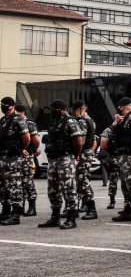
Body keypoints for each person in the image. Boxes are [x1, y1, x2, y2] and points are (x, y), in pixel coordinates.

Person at [38, 99, 84, 230]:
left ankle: (71, 218)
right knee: (52, 189)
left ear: (63, 110)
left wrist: (75, 155)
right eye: (51, 109)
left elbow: (78, 141)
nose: (52, 111)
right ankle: (55, 217)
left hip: (65, 158)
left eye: (55, 109)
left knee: (69, 188)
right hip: (53, 159)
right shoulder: (53, 122)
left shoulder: (70, 122)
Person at [0, 97, 30, 225]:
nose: (2, 106)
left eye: (4, 105)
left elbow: (26, 138)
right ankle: (5, 211)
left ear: (11, 106)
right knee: (3, 186)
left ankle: (16, 213)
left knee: (14, 185)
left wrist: (20, 149)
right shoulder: (2, 121)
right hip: (2, 157)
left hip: (13, 157)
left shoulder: (19, 120)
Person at [72, 100, 98, 221]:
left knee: (82, 180)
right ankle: (75, 208)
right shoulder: (90, 120)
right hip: (87, 153)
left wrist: (77, 154)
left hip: (83, 154)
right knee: (80, 180)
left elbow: (81, 140)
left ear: (76, 110)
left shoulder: (81, 121)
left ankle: (91, 209)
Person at [16, 104, 40, 218]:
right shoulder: (13, 123)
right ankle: (20, 206)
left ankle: (32, 206)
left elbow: (36, 141)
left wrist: (34, 151)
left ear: (20, 112)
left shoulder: (29, 124)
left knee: (27, 181)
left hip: (26, 156)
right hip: (15, 156)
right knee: (17, 182)